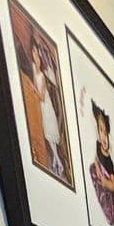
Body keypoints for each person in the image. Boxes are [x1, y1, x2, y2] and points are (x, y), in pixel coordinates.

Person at [33, 41, 64, 178]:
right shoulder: (35, 72)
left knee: (49, 135)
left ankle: (58, 163)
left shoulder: (43, 77)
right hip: (43, 109)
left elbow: (42, 97)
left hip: (46, 109)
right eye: (33, 54)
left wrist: (34, 90)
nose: (36, 58)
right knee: (49, 136)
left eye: (37, 55)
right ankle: (58, 164)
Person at [89, 101, 114, 226]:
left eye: (106, 132)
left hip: (106, 187)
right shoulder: (97, 147)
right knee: (91, 168)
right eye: (101, 131)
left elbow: (112, 186)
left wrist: (104, 180)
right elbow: (96, 160)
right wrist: (97, 168)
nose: (104, 136)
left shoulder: (109, 161)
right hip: (99, 180)